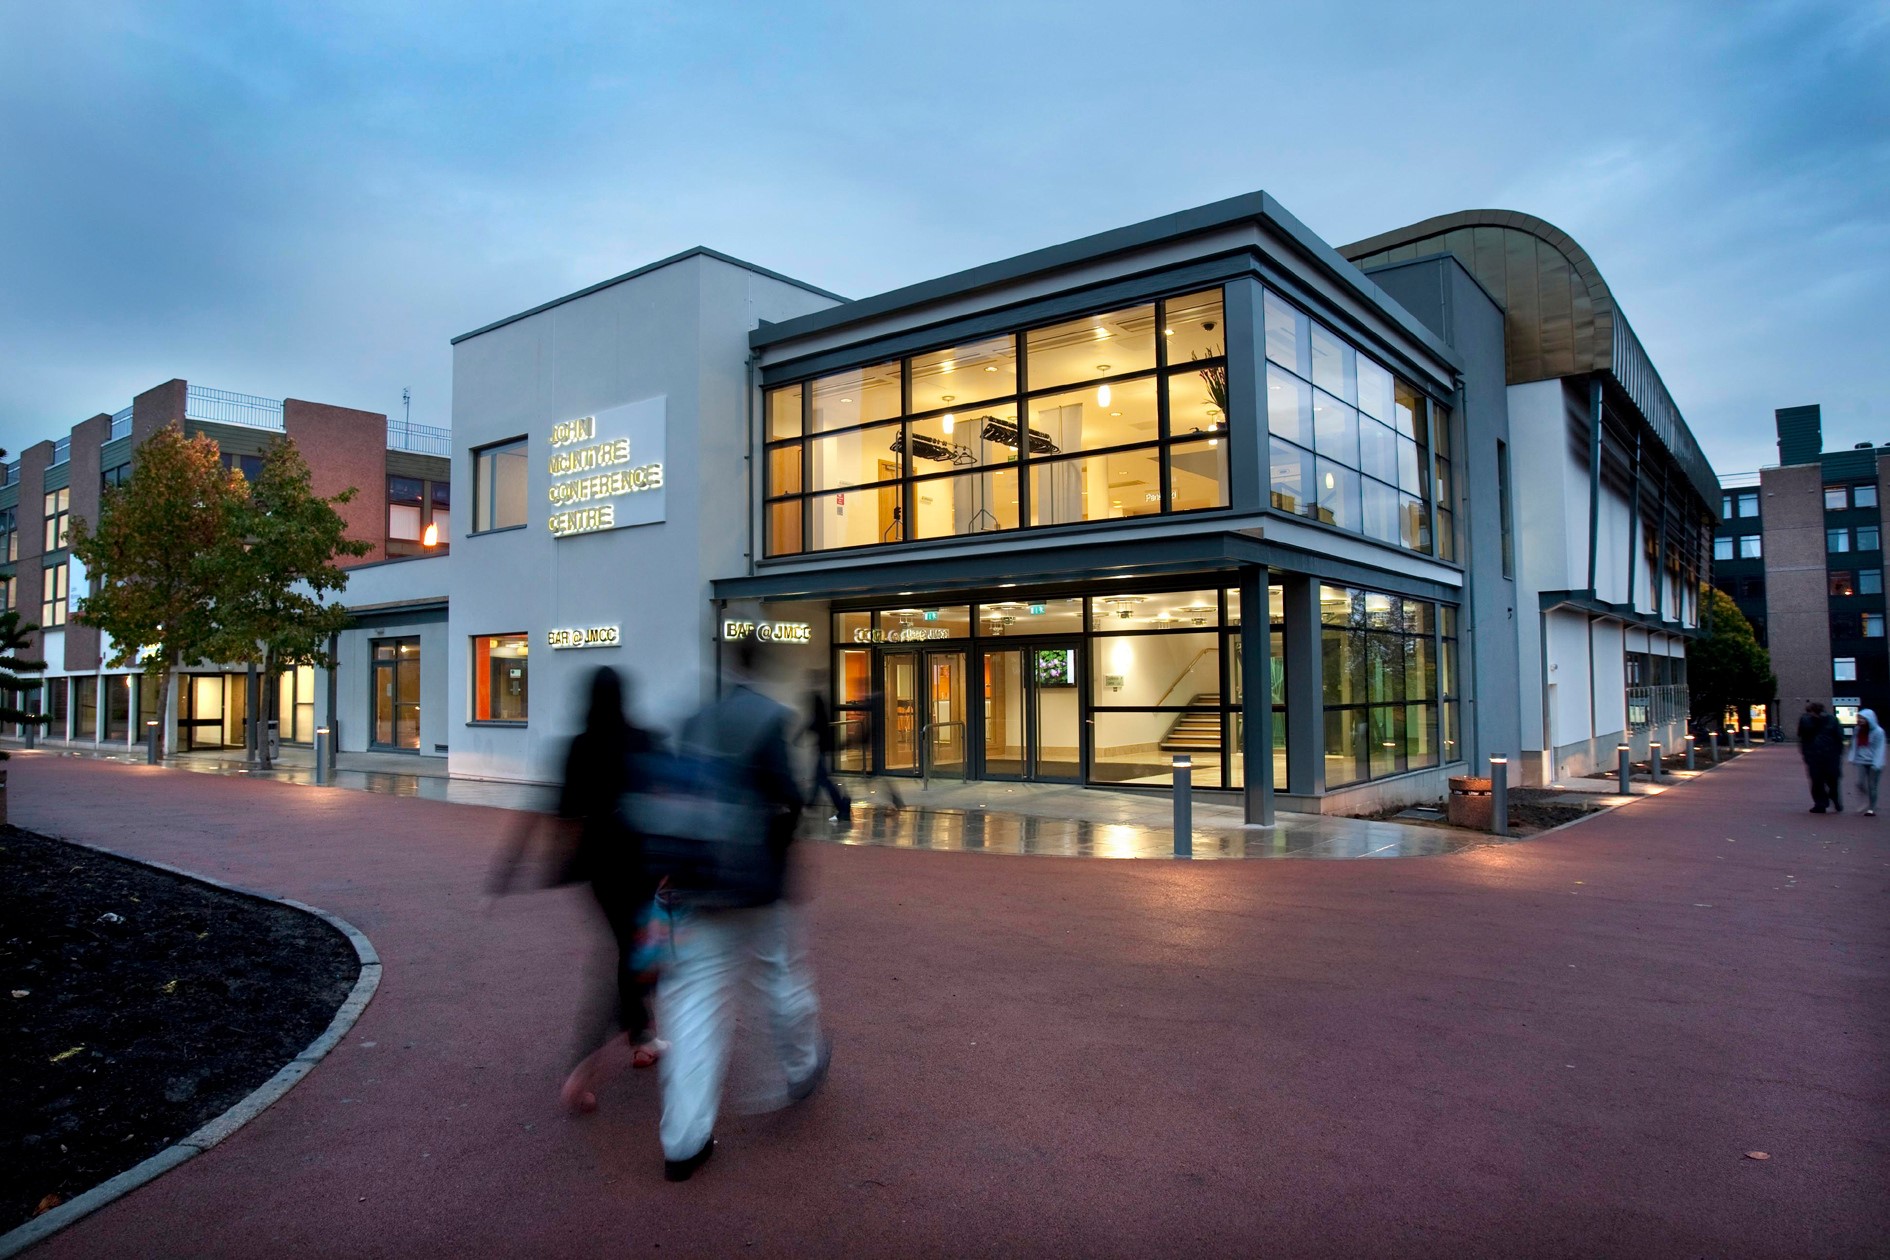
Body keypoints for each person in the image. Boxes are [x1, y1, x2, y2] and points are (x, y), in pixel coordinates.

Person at [654, 639, 829, 1182]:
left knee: (697, 1004)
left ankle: (684, 1141)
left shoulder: (696, 721)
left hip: (699, 882)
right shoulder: (770, 719)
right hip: (754, 881)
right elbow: (788, 797)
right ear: (764, 667)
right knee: (777, 971)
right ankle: (802, 1065)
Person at [556, 668, 666, 1112]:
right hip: (639, 861)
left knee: (628, 948)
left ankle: (642, 1033)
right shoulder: (643, 739)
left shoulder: (579, 745)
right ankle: (585, 1063)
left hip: (598, 868)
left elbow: (566, 812)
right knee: (635, 956)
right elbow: (662, 800)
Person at [806, 671, 852, 823]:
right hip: (823, 745)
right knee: (819, 777)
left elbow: (817, 722)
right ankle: (812, 804)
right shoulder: (819, 699)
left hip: (822, 746)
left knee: (822, 779)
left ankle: (841, 805)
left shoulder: (816, 699)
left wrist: (801, 734)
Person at [1797, 701, 1845, 813]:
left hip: (1830, 755)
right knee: (1816, 780)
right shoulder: (1805, 721)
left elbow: (1839, 737)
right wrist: (1806, 753)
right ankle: (1820, 804)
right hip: (1814, 755)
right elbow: (1802, 737)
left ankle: (1834, 797)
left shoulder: (1832, 720)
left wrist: (1838, 752)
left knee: (1832, 779)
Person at [1850, 707, 1885, 816]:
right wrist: (1853, 757)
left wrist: (1877, 763)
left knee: (1872, 785)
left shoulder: (1878, 732)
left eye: (1862, 719)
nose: (1860, 721)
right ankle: (1867, 799)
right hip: (1862, 760)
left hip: (1874, 763)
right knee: (1860, 783)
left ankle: (1871, 808)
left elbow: (1880, 748)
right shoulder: (1858, 730)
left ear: (1869, 719)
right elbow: (1855, 744)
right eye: (1859, 718)